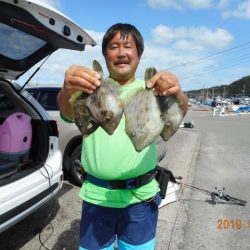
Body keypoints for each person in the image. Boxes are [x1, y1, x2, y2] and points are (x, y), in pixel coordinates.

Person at [57, 23, 188, 250]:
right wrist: (67, 90)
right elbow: (68, 114)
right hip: (97, 196)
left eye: (128, 46)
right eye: (114, 46)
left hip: (141, 198)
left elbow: (179, 112)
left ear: (139, 54)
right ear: (105, 54)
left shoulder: (154, 89)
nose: (121, 52)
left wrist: (178, 93)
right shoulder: (90, 87)